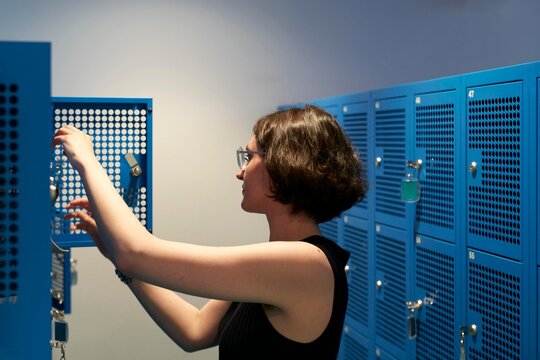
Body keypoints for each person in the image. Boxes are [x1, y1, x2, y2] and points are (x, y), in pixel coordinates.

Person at [52, 105, 367, 359]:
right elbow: (195, 330)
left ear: (285, 165)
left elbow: (136, 252)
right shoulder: (279, 263)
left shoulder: (306, 264)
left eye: (249, 156)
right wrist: (121, 262)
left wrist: (86, 159)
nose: (239, 171)